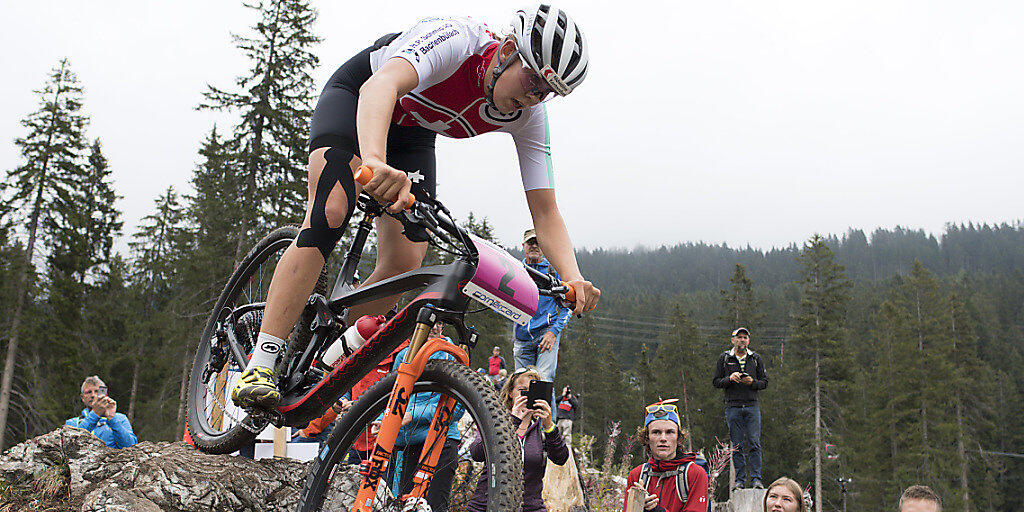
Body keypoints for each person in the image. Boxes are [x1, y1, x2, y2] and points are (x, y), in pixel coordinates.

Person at [232, 5, 600, 410]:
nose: (534, 97)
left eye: (547, 93)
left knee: (406, 263)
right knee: (332, 211)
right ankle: (261, 363)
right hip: (361, 96)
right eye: (533, 79)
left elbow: (545, 211)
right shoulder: (458, 40)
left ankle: (324, 353)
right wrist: (373, 159)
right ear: (508, 49)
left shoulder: (528, 116)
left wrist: (572, 276)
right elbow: (381, 87)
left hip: (413, 133)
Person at [385, 323, 465, 511]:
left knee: (434, 506)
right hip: (404, 444)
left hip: (439, 441)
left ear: (444, 326)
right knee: (399, 505)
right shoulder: (403, 355)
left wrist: (413, 415)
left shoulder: (453, 356)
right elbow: (391, 395)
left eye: (439, 322)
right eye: (430, 322)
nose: (434, 327)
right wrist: (382, 420)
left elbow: (457, 408)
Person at [467, 367, 568, 512]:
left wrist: (549, 426)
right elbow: (476, 453)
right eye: (523, 390)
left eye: (532, 391)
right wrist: (512, 420)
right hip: (486, 505)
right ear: (510, 393)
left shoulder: (541, 429)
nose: (528, 395)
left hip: (529, 507)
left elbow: (561, 458)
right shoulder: (495, 419)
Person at [513, 228, 573, 407]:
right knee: (521, 385)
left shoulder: (554, 272)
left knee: (543, 382)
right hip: (521, 336)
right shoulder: (516, 270)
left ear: (544, 247)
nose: (534, 246)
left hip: (547, 334)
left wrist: (554, 332)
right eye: (530, 242)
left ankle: (546, 431)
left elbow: (568, 306)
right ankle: (522, 430)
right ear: (523, 246)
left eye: (538, 243)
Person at [623, 399, 709, 512]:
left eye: (669, 432)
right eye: (656, 432)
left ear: (679, 438)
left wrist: (656, 510)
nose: (663, 438)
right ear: (647, 438)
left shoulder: (694, 474)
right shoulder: (636, 476)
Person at [712, 327, 768, 489]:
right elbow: (716, 382)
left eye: (745, 337)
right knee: (736, 445)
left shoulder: (755, 358)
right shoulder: (724, 358)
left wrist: (752, 383)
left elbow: (764, 382)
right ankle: (740, 480)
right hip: (733, 407)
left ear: (748, 340)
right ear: (733, 340)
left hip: (752, 406)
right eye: (739, 337)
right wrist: (730, 378)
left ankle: (756, 479)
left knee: (754, 443)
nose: (742, 340)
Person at [65, 376, 138, 449]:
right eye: (88, 392)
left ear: (105, 394)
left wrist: (112, 419)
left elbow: (131, 447)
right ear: (82, 398)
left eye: (97, 391)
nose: (93, 395)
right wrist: (95, 414)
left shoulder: (120, 419)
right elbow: (69, 447)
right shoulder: (72, 423)